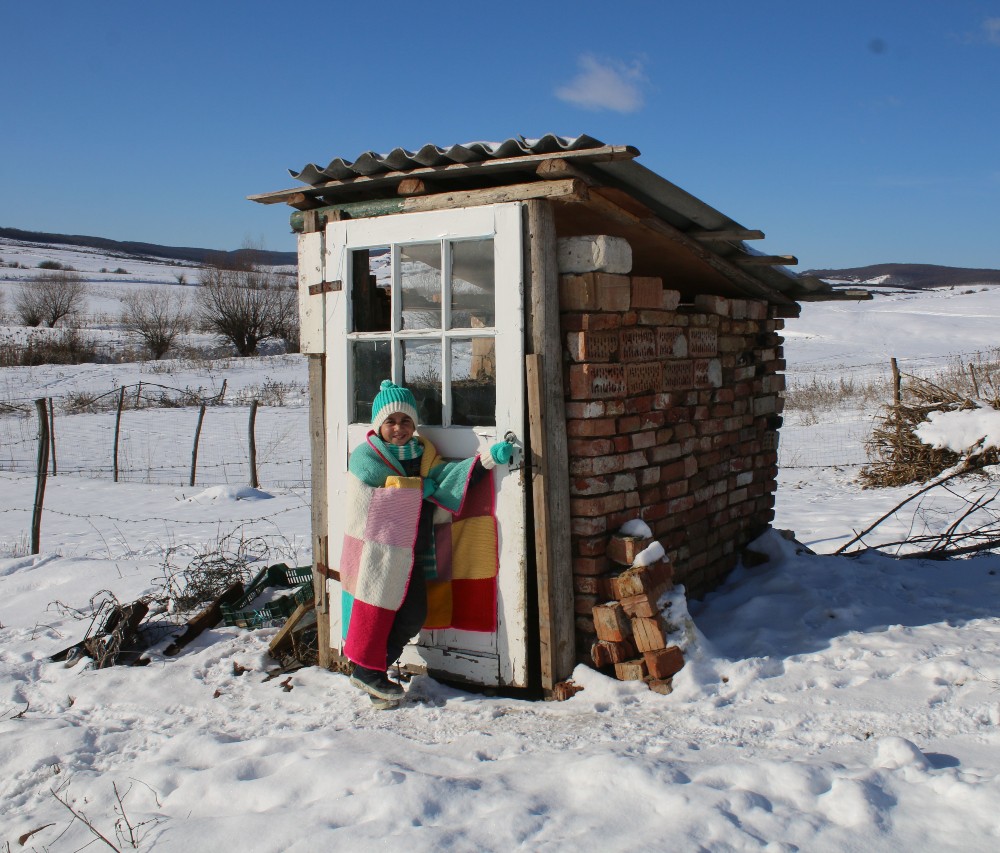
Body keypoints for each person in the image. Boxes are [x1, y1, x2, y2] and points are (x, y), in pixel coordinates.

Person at [339, 379, 515, 709]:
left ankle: (366, 670)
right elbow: (372, 501)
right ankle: (369, 671)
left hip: (415, 553)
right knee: (376, 614)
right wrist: (418, 489)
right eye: (390, 421)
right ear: (379, 424)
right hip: (379, 556)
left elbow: (449, 478)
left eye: (406, 420)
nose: (398, 428)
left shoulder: (423, 453)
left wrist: (488, 459)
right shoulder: (366, 457)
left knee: (412, 616)